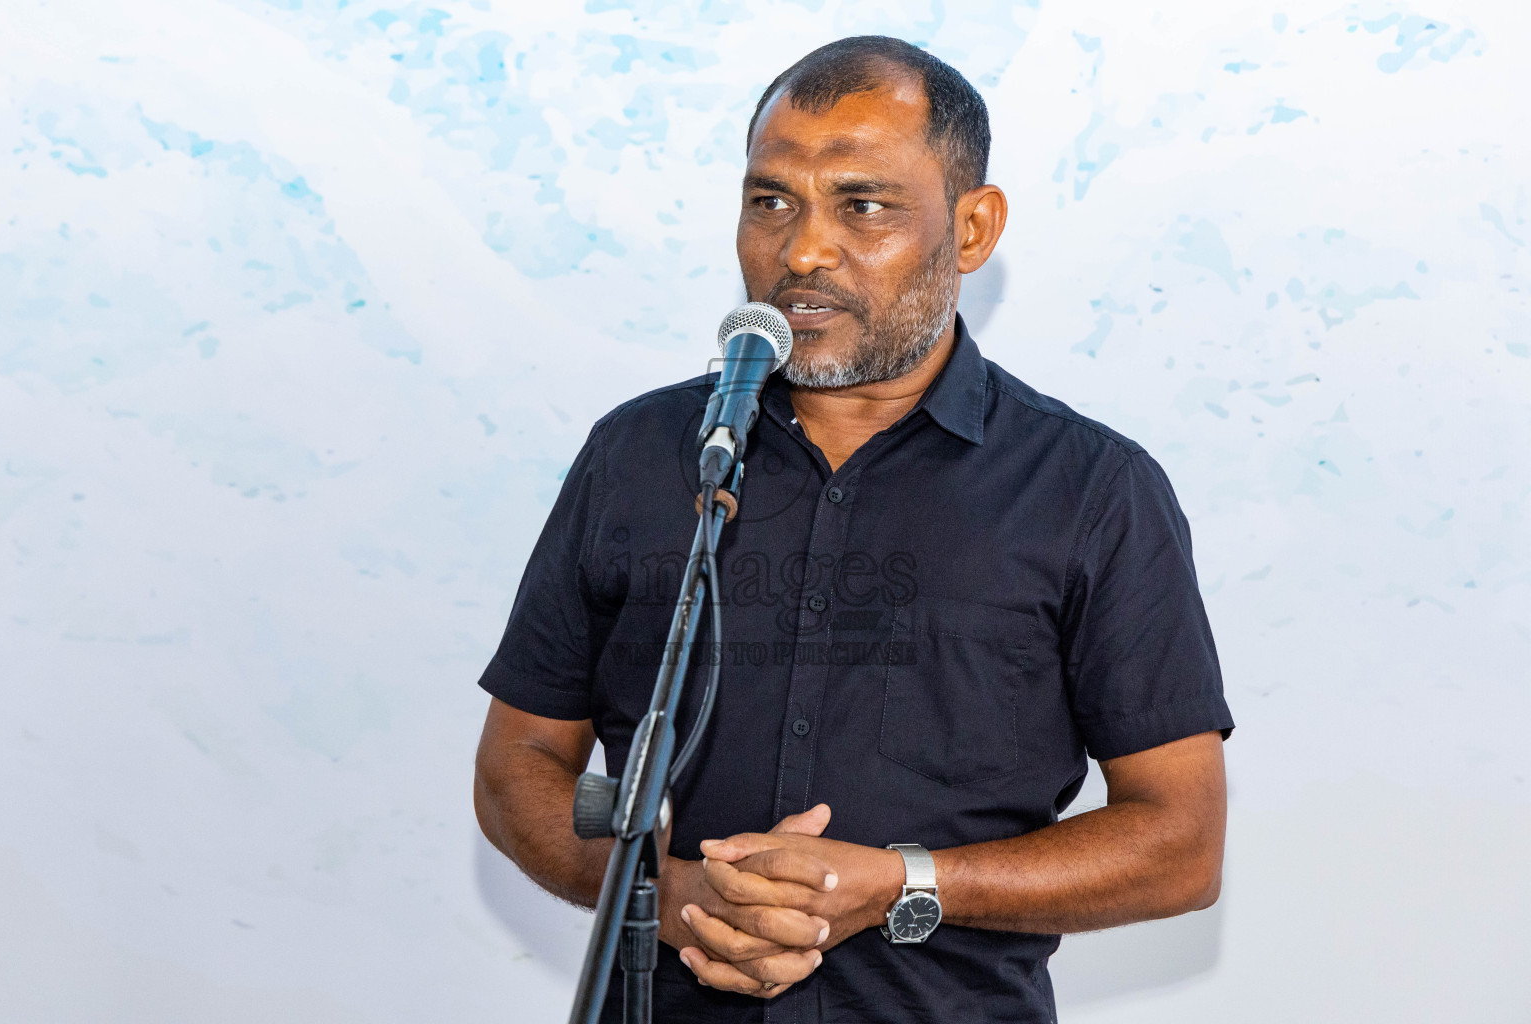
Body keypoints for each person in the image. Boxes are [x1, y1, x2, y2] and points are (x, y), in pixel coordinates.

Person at [473, 35, 1234, 1024]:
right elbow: (517, 765)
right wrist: (676, 898)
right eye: (770, 201)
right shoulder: (641, 455)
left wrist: (904, 882)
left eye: (862, 204)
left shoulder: (1093, 489)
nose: (803, 251)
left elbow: (1180, 841)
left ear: (972, 229)